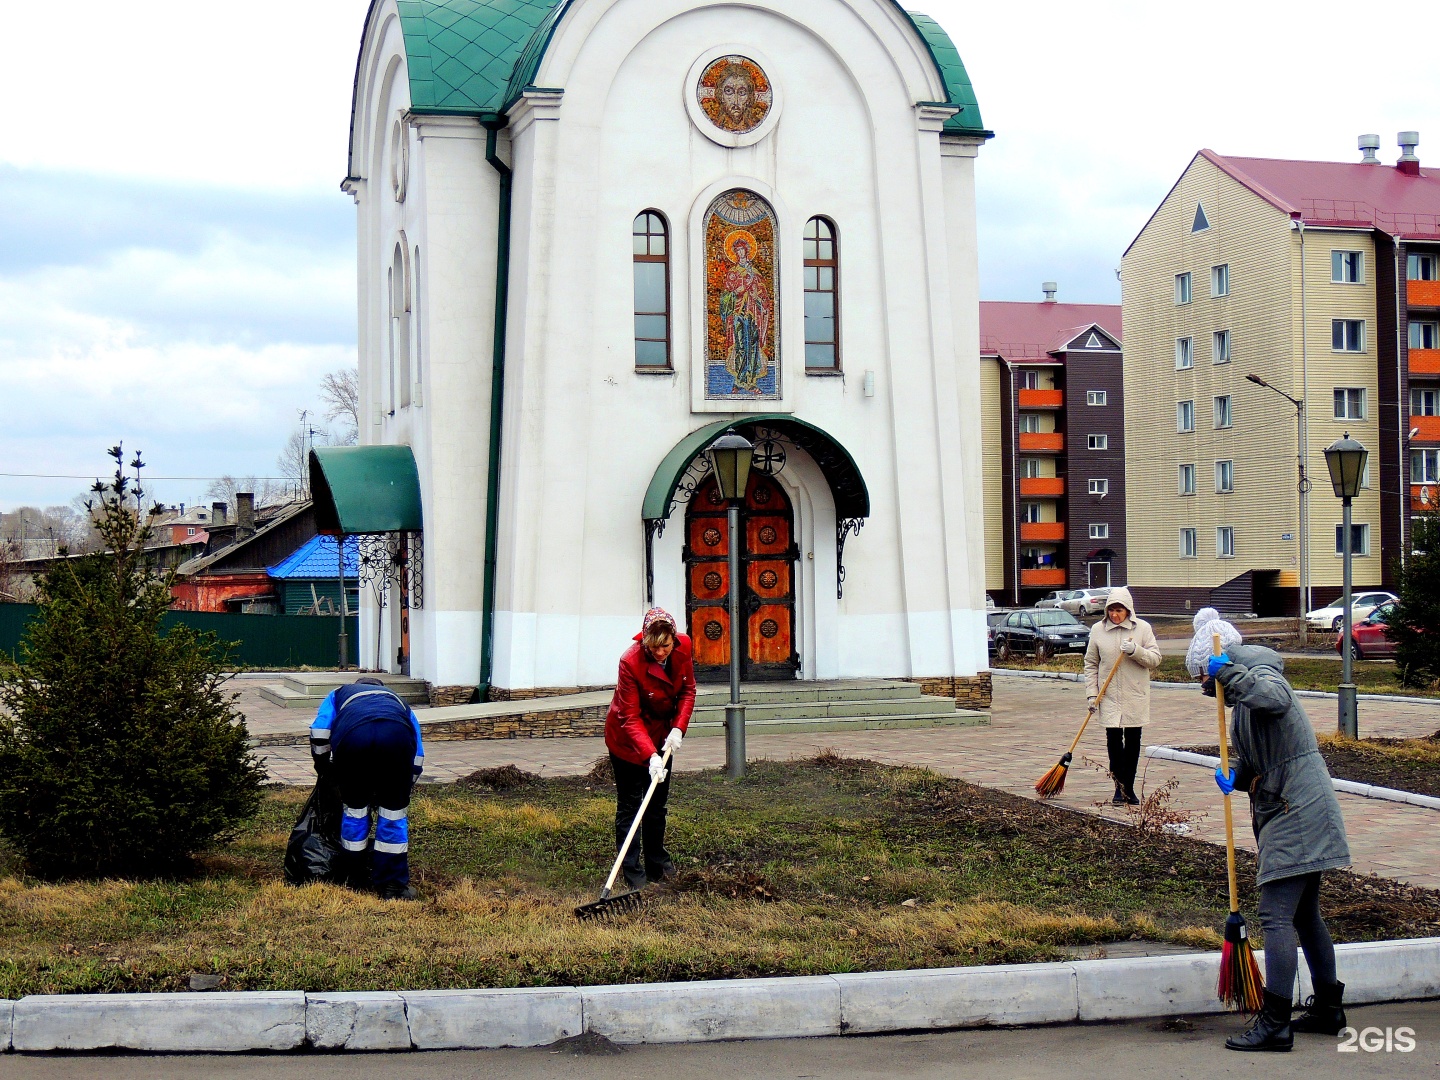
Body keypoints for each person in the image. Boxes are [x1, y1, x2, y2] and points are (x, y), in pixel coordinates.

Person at [1197, 622, 1352, 1052]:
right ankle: (1327, 1008)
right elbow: (1260, 753)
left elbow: (1277, 700)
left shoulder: (1261, 675)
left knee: (1275, 914)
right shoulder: (1242, 702)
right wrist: (1238, 775)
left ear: (1219, 665)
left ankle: (1276, 1022)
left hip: (1297, 808)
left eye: (1202, 678)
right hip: (1290, 804)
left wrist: (1228, 673)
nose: (1204, 688)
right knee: (1304, 915)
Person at [603, 608, 696, 890]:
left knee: (656, 805)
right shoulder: (630, 662)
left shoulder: (684, 647)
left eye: (665, 645)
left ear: (674, 639)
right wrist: (649, 755)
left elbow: (687, 690)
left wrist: (678, 728)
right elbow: (629, 716)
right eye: (653, 647)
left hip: (663, 736)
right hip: (628, 740)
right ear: (644, 641)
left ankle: (658, 863)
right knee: (632, 806)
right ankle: (632, 872)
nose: (660, 652)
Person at [310, 676, 425, 900]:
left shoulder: (339, 693)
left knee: (355, 810)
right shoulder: (398, 700)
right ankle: (392, 886)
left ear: (357, 684)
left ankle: (354, 878)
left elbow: (320, 732)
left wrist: (323, 767)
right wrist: (402, 788)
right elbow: (418, 754)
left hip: (354, 739)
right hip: (396, 738)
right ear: (382, 688)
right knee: (393, 814)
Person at [1083, 586, 1162, 804]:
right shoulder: (1098, 631)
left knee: (1133, 742)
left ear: (1128, 610)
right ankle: (1118, 788)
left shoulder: (1142, 629)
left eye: (1119, 610)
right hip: (1108, 696)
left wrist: (1135, 650)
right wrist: (1092, 694)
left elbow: (1155, 659)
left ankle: (1130, 787)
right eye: (1111, 610)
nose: (1115, 615)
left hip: (1135, 694)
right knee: (1114, 743)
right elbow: (1091, 664)